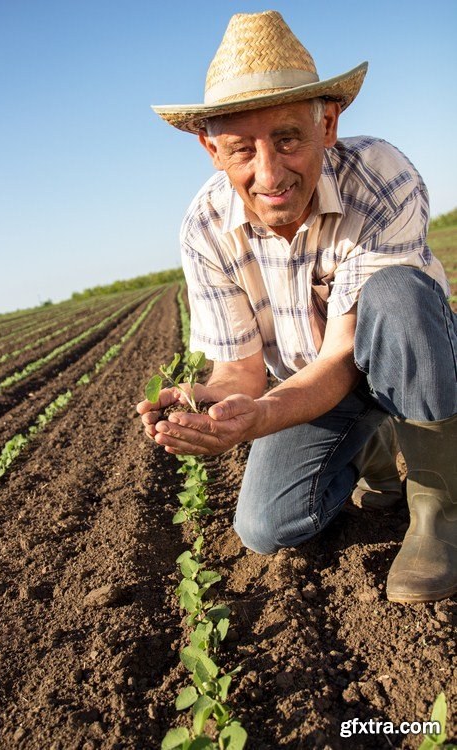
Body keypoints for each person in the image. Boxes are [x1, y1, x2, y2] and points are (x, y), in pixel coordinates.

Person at [137, 11, 456, 603]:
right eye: (240, 149)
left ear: (328, 124)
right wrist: (213, 403)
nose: (270, 172)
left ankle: (442, 513)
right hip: (310, 384)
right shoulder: (204, 227)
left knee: (398, 296)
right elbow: (243, 371)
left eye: (288, 138)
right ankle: (373, 443)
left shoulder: (379, 178)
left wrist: (262, 419)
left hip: (402, 358)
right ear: (211, 149)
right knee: (264, 527)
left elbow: (342, 355)